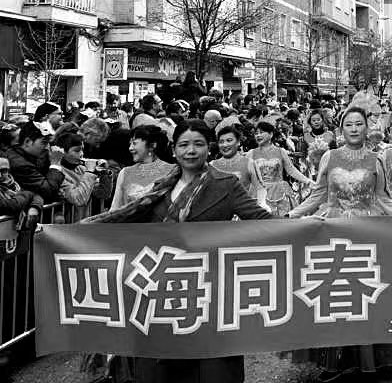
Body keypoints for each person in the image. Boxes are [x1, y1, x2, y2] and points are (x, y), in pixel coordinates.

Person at [83, 119, 272, 383]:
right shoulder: (162, 186)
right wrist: (60, 235)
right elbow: (125, 222)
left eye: (198, 144)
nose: (190, 151)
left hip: (209, 292)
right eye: (184, 144)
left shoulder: (226, 185)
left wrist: (312, 228)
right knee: (162, 368)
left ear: (210, 148)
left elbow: (263, 220)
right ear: (173, 149)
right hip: (162, 291)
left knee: (213, 368)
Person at [287, 107, 392, 377]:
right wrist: (291, 215)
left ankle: (370, 356)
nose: (354, 129)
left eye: (359, 124)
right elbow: (317, 195)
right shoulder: (329, 157)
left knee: (365, 295)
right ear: (341, 129)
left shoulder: (377, 160)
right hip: (332, 236)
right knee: (335, 296)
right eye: (349, 125)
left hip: (367, 236)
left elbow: (384, 199)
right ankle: (337, 360)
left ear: (368, 128)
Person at [249, 120, 312, 216]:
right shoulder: (251, 153)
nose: (258, 136)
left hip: (279, 191)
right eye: (256, 133)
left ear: (271, 134)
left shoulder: (281, 151)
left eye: (261, 133)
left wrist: (308, 181)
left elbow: (291, 170)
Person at [111, 125, 176, 210]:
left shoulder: (173, 171)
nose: (130, 148)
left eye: (134, 143)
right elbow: (115, 209)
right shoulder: (125, 172)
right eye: (130, 144)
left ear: (152, 145)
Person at [8, 122, 63, 203]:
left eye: (49, 143)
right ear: (27, 142)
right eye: (44, 142)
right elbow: (48, 190)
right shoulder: (20, 164)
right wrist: (55, 164)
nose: (47, 147)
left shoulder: (25, 155)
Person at [210, 125, 264, 203]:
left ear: (238, 142)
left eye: (229, 140)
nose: (225, 145)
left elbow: (260, 188)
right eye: (221, 141)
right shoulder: (212, 165)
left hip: (242, 211)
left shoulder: (249, 163)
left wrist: (262, 203)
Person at [56, 132, 100, 222]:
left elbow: (103, 194)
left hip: (85, 221)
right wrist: (90, 173)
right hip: (69, 226)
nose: (81, 154)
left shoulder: (82, 169)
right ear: (62, 152)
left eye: (82, 150)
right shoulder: (57, 173)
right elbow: (78, 199)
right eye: (77, 150)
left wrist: (105, 175)